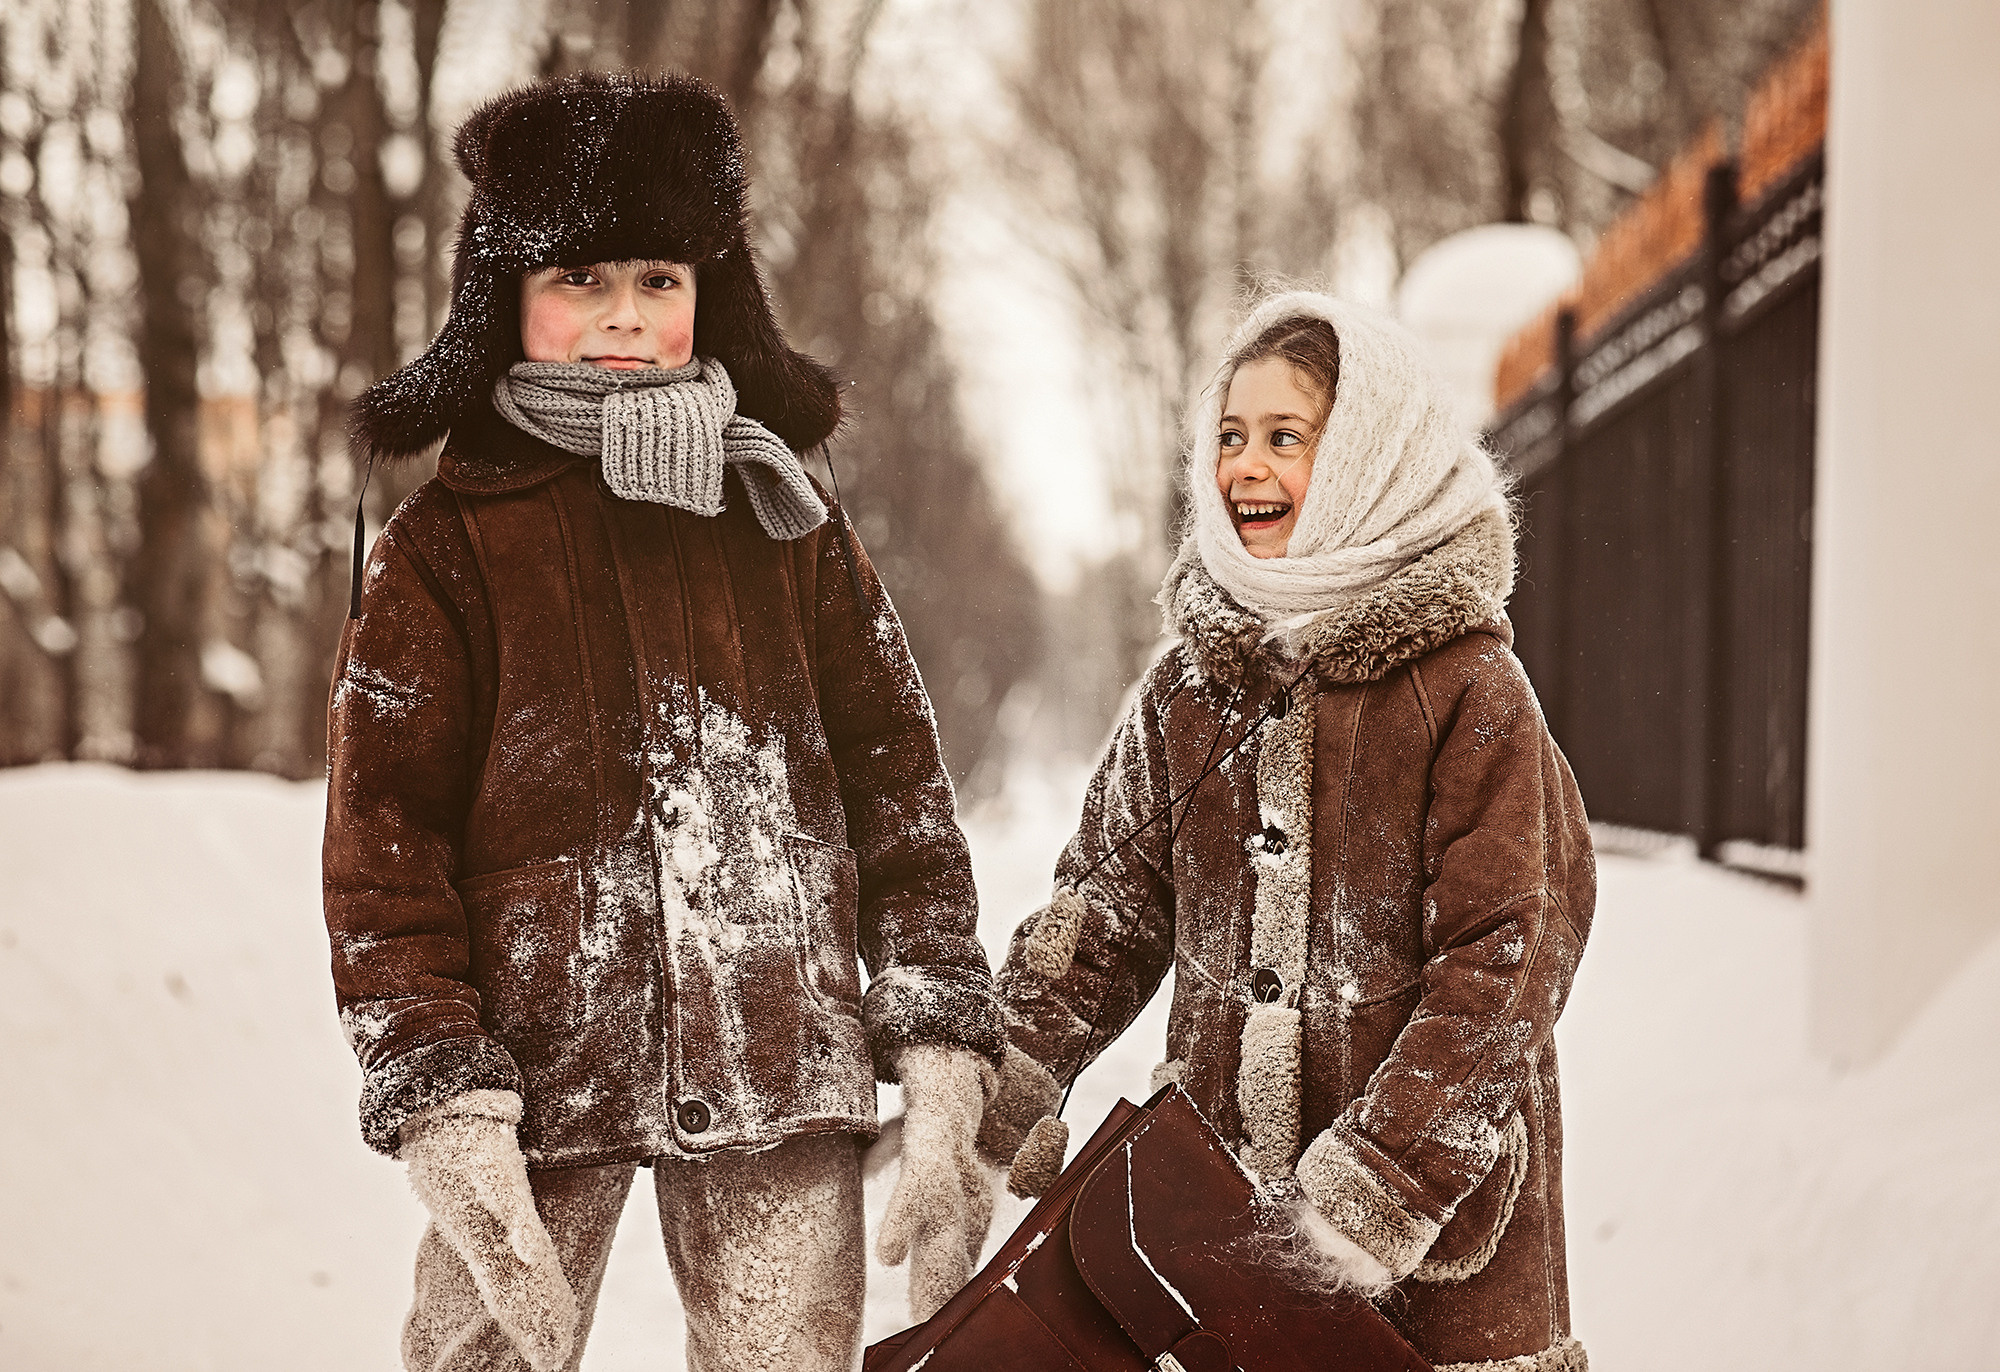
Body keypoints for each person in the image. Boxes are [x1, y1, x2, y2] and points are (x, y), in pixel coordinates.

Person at [322, 72, 1001, 1372]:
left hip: (776, 1052)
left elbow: (899, 793)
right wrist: (440, 1089)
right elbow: (382, 848)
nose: (623, 317)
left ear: (712, 295)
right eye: (579, 281)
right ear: (505, 298)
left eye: (659, 279)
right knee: (477, 1355)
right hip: (533, 1074)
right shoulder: (443, 549)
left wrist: (937, 1027)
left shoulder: (785, 517)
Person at [982, 291, 1596, 1372]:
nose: (1244, 467)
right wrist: (1000, 1087)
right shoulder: (1187, 688)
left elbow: (1508, 955)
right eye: (1227, 436)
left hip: (1435, 1239)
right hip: (1228, 1214)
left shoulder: (1465, 688)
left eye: (1284, 438)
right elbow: (1107, 910)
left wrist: (1380, 1180)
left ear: (1367, 456)